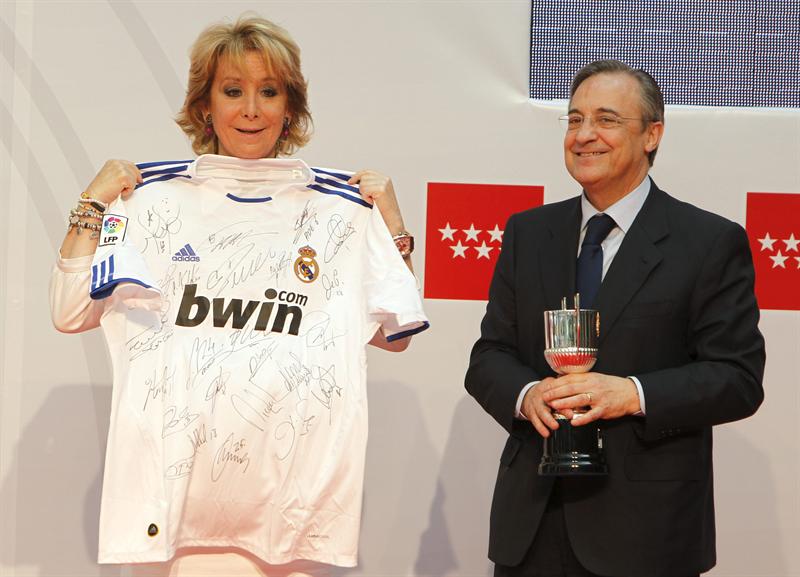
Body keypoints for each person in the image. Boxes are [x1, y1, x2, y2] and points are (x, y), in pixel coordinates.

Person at [49, 15, 428, 577]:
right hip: (173, 517)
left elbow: (395, 336)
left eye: (268, 92)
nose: (251, 109)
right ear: (205, 106)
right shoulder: (148, 202)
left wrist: (390, 225)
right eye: (233, 91)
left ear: (290, 108)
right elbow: (69, 311)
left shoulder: (340, 212)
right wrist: (93, 202)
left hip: (291, 522)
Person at [464, 59, 765, 577]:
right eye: (574, 120)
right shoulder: (528, 233)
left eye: (606, 119)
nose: (584, 135)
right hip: (531, 525)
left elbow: (737, 379)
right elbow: (489, 355)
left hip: (646, 532)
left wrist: (631, 393)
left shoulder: (708, 242)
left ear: (652, 134)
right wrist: (526, 395)